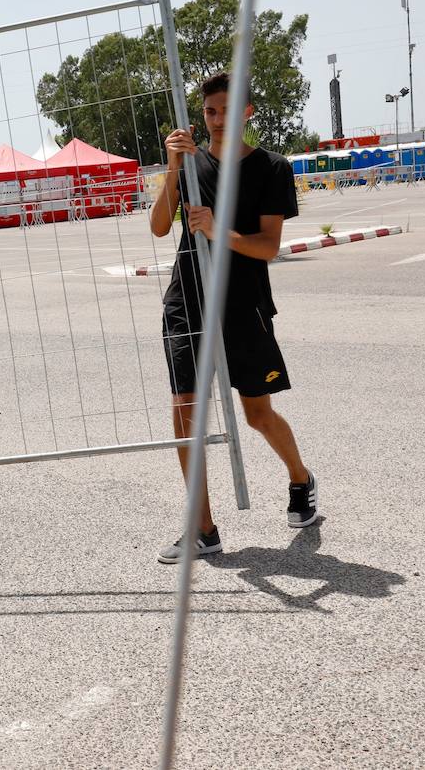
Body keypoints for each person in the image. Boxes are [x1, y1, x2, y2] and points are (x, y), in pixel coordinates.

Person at [150, 72, 316, 566]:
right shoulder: (190, 163)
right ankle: (202, 528)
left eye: (227, 110)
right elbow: (160, 227)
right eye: (209, 111)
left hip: (243, 303)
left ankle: (301, 479)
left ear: (246, 111)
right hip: (189, 300)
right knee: (185, 408)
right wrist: (173, 166)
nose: (217, 120)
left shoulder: (271, 167)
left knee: (257, 414)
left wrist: (219, 231)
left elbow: (267, 247)